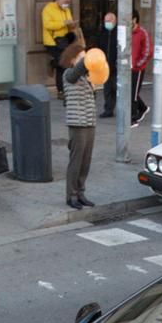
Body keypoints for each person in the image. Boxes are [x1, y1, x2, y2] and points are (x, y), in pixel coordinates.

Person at [61, 39, 96, 210]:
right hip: (77, 124)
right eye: (81, 57)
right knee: (76, 161)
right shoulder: (69, 74)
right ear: (73, 60)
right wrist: (88, 58)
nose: (85, 61)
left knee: (86, 161)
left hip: (89, 122)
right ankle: (71, 195)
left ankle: (81, 193)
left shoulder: (86, 77)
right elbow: (77, 70)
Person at [41, 0, 75, 96]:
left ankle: (54, 63)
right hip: (53, 41)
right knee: (62, 64)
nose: (67, 4)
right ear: (58, 0)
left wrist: (71, 24)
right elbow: (47, 25)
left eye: (68, 2)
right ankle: (61, 91)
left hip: (64, 41)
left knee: (63, 63)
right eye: (65, 1)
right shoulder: (48, 9)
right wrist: (63, 23)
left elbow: (69, 24)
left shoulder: (66, 10)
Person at [96, 11, 119, 118]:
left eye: (109, 21)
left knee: (117, 89)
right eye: (105, 21)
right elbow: (100, 47)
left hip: (116, 66)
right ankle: (108, 109)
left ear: (115, 21)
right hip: (105, 66)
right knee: (107, 89)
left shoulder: (119, 33)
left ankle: (129, 108)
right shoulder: (103, 33)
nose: (107, 23)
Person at [130, 11, 151, 126]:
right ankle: (142, 108)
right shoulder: (125, 31)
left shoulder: (142, 32)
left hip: (137, 69)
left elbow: (147, 51)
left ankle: (132, 119)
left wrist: (138, 64)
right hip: (127, 68)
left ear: (134, 19)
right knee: (131, 92)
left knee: (133, 94)